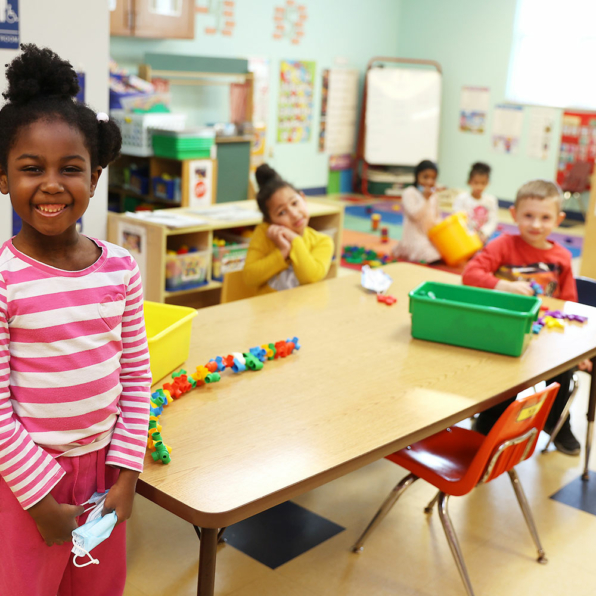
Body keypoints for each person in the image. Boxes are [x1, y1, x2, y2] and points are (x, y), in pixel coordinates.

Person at [0, 44, 152, 595]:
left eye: (71, 168)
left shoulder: (120, 269)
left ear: (96, 175)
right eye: (31, 168)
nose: (51, 184)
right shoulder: (4, 278)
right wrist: (39, 499)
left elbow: (136, 378)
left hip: (107, 472)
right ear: (3, 178)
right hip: (25, 481)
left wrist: (127, 472)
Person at [463, 179, 590, 455]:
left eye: (545, 217)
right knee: (504, 372)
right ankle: (488, 421)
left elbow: (570, 305)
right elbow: (469, 274)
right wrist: (505, 285)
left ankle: (557, 421)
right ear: (515, 215)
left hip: (546, 335)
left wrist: (578, 350)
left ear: (559, 219)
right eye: (528, 216)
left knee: (563, 371)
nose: (536, 224)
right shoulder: (503, 246)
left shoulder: (562, 257)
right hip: (505, 332)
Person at [243, 164, 334, 294]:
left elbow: (311, 277)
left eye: (295, 203)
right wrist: (282, 251)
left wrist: (295, 240)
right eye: (282, 212)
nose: (294, 214)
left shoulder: (322, 241)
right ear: (269, 221)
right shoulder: (264, 233)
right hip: (268, 310)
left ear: (303, 198)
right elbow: (249, 278)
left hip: (306, 309)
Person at [392, 160, 441, 263]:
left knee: (446, 251)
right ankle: (403, 249)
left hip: (429, 237)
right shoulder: (409, 193)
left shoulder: (434, 196)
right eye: (425, 177)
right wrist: (425, 199)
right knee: (432, 256)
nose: (429, 181)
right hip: (414, 239)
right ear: (417, 176)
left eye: (433, 178)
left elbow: (437, 218)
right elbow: (414, 215)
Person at [453, 162, 498, 243]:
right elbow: (457, 218)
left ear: (488, 183)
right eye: (476, 183)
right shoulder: (461, 199)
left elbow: (493, 220)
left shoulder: (491, 200)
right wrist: (469, 233)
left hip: (483, 239)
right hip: (464, 238)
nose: (479, 187)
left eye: (483, 183)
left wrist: (484, 233)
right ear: (469, 182)